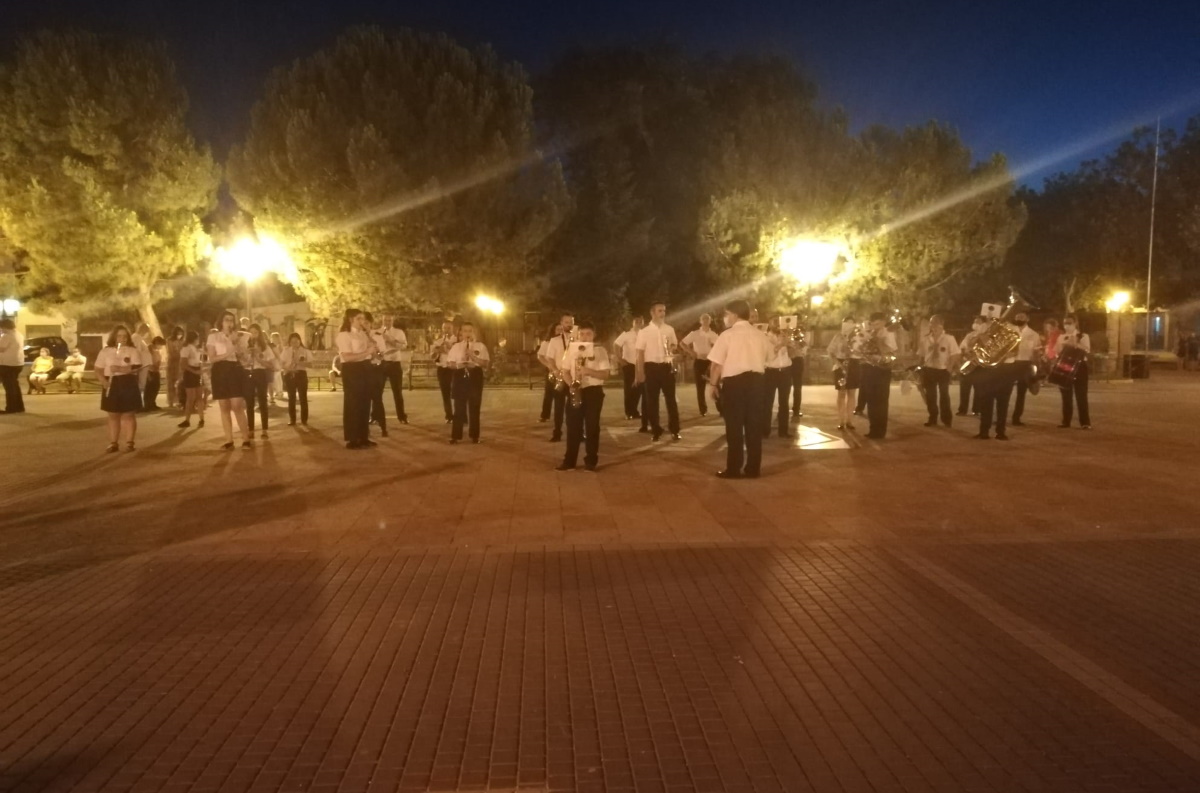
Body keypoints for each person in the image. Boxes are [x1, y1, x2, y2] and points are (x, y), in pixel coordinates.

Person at [706, 299, 772, 479]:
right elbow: (769, 358)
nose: (725, 318)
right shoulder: (760, 335)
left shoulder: (727, 335)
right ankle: (753, 468)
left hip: (734, 384)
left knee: (734, 427)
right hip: (757, 383)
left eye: (726, 314)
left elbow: (716, 365)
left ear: (734, 315)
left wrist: (713, 385)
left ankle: (734, 468)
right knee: (754, 426)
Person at [555, 321, 610, 471]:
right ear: (578, 335)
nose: (585, 337)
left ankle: (591, 461)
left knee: (592, 427)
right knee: (573, 427)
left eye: (589, 334)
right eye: (582, 334)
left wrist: (588, 371)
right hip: (576, 389)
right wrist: (572, 385)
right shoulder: (571, 350)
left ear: (594, 335)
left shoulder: (600, 351)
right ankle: (569, 461)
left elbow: (605, 374)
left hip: (593, 391)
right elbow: (565, 371)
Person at [634, 301, 681, 441]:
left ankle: (675, 429)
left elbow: (674, 345)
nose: (662, 313)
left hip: (666, 367)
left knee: (671, 400)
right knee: (651, 401)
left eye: (664, 311)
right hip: (651, 368)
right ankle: (655, 430)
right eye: (659, 311)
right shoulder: (644, 332)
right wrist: (640, 372)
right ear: (652, 313)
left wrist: (672, 349)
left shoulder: (669, 329)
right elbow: (639, 353)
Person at [207, 312, 252, 450]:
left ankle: (245, 439)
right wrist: (229, 351)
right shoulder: (214, 336)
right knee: (224, 406)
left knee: (237, 405)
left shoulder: (239, 336)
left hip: (234, 370)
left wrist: (236, 344)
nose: (229, 323)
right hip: (220, 370)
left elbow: (244, 357)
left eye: (232, 320)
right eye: (226, 320)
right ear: (221, 322)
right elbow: (212, 358)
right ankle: (229, 440)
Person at [94, 325, 144, 452]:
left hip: (128, 382)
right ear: (114, 337)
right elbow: (98, 368)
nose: (122, 338)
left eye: (125, 336)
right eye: (119, 335)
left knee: (128, 414)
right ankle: (113, 443)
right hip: (111, 383)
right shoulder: (105, 351)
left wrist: (121, 369)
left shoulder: (132, 350)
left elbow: (136, 367)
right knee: (113, 414)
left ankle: (129, 443)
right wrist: (103, 381)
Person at [335, 308, 376, 449]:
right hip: (352, 370)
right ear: (350, 320)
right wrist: (367, 352)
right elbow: (346, 357)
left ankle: (363, 436)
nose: (362, 322)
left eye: (363, 319)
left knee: (365, 402)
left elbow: (370, 351)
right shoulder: (344, 335)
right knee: (353, 403)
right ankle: (352, 438)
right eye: (359, 319)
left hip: (365, 368)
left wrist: (372, 349)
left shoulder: (363, 334)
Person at [448, 321, 490, 444]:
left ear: (474, 332)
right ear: (461, 332)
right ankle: (456, 435)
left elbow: (485, 363)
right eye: (465, 331)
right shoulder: (456, 347)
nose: (467, 333)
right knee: (459, 408)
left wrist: (473, 357)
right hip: (460, 375)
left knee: (474, 407)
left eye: (470, 331)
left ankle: (475, 435)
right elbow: (450, 363)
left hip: (475, 375)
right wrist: (459, 365)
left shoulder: (480, 346)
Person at [860, 312, 897, 440]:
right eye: (873, 324)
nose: (875, 326)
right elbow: (862, 350)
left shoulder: (889, 334)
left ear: (883, 322)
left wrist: (878, 341)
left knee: (881, 401)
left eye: (877, 323)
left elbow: (890, 352)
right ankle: (873, 428)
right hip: (869, 367)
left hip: (882, 369)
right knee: (871, 400)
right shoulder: (869, 334)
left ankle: (880, 431)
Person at [918, 316, 959, 428]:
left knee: (944, 395)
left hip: (943, 370)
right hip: (929, 369)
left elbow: (955, 353)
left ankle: (946, 419)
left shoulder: (949, 338)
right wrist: (920, 368)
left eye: (935, 323)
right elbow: (921, 355)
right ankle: (932, 418)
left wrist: (950, 367)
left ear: (941, 325)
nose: (932, 326)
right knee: (930, 395)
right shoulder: (926, 339)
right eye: (931, 323)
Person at [544, 312, 576, 442]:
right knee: (559, 407)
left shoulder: (579, 339)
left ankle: (578, 432)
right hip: (561, 377)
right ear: (561, 324)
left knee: (576, 406)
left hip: (574, 377)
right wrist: (555, 371)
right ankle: (557, 432)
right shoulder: (555, 340)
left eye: (571, 322)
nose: (569, 324)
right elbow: (549, 358)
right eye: (566, 322)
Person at [827, 317, 862, 431]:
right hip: (840, 364)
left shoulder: (858, 337)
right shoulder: (838, 336)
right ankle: (841, 420)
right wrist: (838, 363)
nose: (849, 326)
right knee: (841, 393)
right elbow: (830, 351)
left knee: (852, 393)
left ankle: (849, 420)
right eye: (847, 323)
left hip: (854, 364)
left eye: (852, 323)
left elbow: (863, 352)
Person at [681, 314, 719, 416]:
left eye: (708, 319)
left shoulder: (713, 334)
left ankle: (721, 408)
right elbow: (682, 343)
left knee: (716, 384)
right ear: (700, 321)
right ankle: (703, 410)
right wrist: (691, 352)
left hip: (711, 362)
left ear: (710, 321)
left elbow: (719, 347)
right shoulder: (695, 333)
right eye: (704, 319)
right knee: (700, 387)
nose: (706, 321)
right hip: (699, 361)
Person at [242, 324, 277, 438]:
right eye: (251, 332)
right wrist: (246, 357)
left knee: (262, 401)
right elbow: (242, 362)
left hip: (260, 373)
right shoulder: (245, 346)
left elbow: (271, 364)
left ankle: (264, 429)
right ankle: (251, 429)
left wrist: (258, 357)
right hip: (248, 374)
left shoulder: (265, 347)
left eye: (255, 332)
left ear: (259, 334)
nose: (253, 335)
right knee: (249, 403)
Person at [612, 316, 647, 427]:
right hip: (629, 365)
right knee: (629, 389)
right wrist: (620, 359)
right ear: (632, 323)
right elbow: (616, 345)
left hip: (641, 365)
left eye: (640, 321)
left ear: (643, 323)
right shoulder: (626, 334)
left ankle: (635, 411)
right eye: (636, 321)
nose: (638, 323)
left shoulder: (645, 334)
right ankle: (629, 412)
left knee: (640, 389)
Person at [1059, 315, 1091, 429]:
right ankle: (1066, 421)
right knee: (1066, 395)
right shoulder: (1062, 337)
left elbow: (1087, 349)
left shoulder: (1083, 336)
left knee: (1081, 395)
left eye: (1069, 323)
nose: (1067, 325)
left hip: (1080, 366)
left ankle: (1085, 422)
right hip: (1065, 365)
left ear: (1075, 323)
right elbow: (1057, 351)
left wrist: (1075, 343)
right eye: (1065, 323)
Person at [1009, 312, 1041, 426]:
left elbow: (1036, 353)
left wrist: (1036, 368)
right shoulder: (1010, 331)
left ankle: (1016, 418)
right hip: (1011, 363)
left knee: (1021, 393)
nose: (1019, 319)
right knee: (1005, 392)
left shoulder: (1034, 335)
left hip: (1025, 364)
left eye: (1022, 317)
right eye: (1017, 317)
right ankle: (1000, 416)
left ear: (1028, 318)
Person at [762, 323, 793, 438]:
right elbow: (767, 355)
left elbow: (793, 354)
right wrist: (780, 345)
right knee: (767, 402)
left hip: (785, 371)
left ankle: (783, 431)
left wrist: (790, 345)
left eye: (778, 321)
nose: (776, 324)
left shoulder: (785, 335)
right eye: (774, 321)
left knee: (784, 402)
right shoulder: (765, 337)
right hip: (771, 372)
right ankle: (765, 431)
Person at [377, 314, 409, 424]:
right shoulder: (377, 332)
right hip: (381, 363)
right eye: (385, 320)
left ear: (392, 321)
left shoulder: (398, 332)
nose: (387, 322)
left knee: (397, 391)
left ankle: (402, 416)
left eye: (389, 320)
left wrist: (391, 340)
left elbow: (403, 346)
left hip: (394, 363)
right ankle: (375, 415)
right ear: (382, 321)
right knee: (377, 391)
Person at [363, 312, 389, 439]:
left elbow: (382, 355)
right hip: (362, 369)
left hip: (375, 369)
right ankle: (364, 430)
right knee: (363, 400)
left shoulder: (377, 336)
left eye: (367, 323)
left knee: (377, 399)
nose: (364, 325)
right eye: (362, 322)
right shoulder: (356, 337)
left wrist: (375, 350)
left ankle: (383, 427)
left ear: (371, 324)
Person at [957, 316, 987, 416]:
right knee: (964, 388)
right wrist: (965, 354)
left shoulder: (987, 336)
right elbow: (962, 347)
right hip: (968, 363)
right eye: (974, 322)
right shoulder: (969, 335)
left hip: (980, 365)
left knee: (979, 388)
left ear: (984, 324)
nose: (976, 324)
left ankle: (977, 409)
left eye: (978, 322)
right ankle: (962, 409)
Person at [279, 332, 311, 426]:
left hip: (301, 374)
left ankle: (304, 419)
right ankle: (292, 419)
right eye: (292, 342)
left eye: (296, 341)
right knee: (291, 398)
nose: (294, 343)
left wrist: (299, 362)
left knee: (303, 397)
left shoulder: (305, 351)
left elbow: (310, 364)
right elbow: (281, 363)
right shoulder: (286, 351)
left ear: (300, 341)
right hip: (289, 374)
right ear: (290, 342)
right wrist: (288, 368)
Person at [177, 331, 206, 429]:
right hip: (190, 373)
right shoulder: (186, 348)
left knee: (199, 397)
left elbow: (198, 360)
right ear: (194, 338)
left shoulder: (196, 349)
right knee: (191, 398)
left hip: (196, 371)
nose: (198, 340)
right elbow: (183, 364)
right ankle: (187, 420)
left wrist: (200, 368)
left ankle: (201, 418)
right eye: (197, 338)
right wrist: (195, 371)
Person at [431, 320, 457, 423]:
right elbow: (432, 356)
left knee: (456, 392)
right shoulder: (438, 341)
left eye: (448, 328)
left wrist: (448, 348)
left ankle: (459, 414)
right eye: (444, 328)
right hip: (442, 369)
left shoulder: (456, 340)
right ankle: (449, 416)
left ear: (452, 329)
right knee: (445, 393)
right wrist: (437, 351)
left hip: (453, 369)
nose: (446, 330)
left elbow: (458, 354)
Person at [0, 318, 25, 414]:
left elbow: (1, 348)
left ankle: (11, 407)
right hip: (17, 363)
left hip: (7, 364)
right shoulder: (18, 334)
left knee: (9, 386)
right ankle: (19, 406)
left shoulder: (7, 336)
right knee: (14, 385)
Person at [537, 323, 558, 423]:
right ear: (553, 330)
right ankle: (545, 415)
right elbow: (540, 356)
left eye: (561, 329)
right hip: (551, 370)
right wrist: (549, 365)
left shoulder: (566, 342)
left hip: (564, 370)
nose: (560, 331)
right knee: (549, 393)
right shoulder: (547, 343)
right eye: (557, 329)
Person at [787, 322, 808, 419]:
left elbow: (805, 347)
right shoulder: (786, 332)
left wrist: (800, 340)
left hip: (798, 360)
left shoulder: (802, 333)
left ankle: (796, 409)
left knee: (797, 387)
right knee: (785, 387)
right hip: (788, 360)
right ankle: (783, 409)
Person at [140, 336, 166, 411]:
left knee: (155, 387)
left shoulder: (157, 350)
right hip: (149, 370)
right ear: (157, 342)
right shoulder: (149, 349)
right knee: (149, 388)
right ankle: (147, 404)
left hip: (156, 370)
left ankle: (152, 403)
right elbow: (146, 360)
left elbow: (158, 358)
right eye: (160, 345)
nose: (161, 347)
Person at [166, 326, 185, 408]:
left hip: (179, 363)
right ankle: (170, 401)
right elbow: (170, 351)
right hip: (172, 363)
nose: (179, 335)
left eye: (181, 334)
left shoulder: (182, 341)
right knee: (171, 382)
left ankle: (178, 400)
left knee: (179, 382)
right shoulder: (169, 340)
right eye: (178, 333)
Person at [268, 331, 284, 405]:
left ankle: (278, 392)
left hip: (276, 362)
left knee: (275, 378)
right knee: (278, 377)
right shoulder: (274, 345)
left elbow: (279, 355)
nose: (273, 339)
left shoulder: (276, 346)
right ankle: (279, 391)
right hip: (276, 362)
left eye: (274, 338)